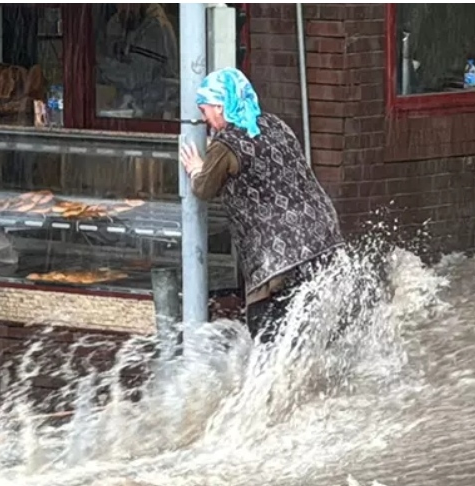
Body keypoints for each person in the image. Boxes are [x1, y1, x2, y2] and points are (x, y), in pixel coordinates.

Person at [179, 67, 345, 344]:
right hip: (322, 234)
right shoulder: (273, 123)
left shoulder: (226, 144)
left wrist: (197, 168)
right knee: (313, 326)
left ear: (220, 107)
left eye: (205, 109)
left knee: (267, 335)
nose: (203, 118)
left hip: (277, 256)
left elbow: (204, 188)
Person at [96, 3, 178, 118]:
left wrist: (100, 64)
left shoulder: (156, 27)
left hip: (156, 111)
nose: (124, 7)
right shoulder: (117, 22)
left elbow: (135, 77)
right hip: (124, 107)